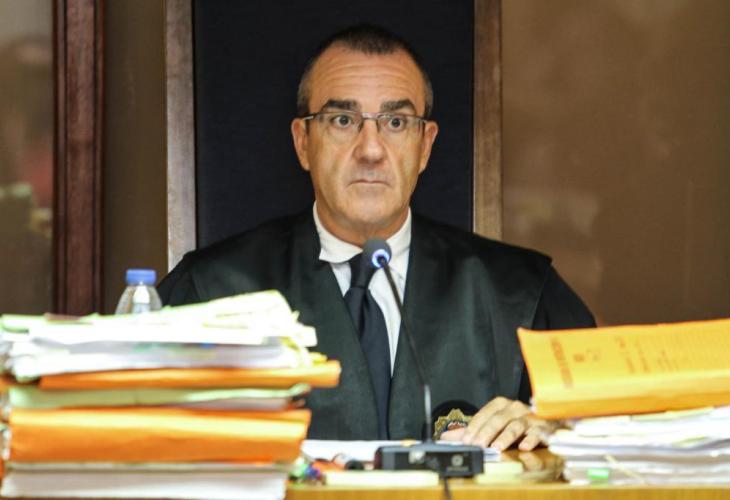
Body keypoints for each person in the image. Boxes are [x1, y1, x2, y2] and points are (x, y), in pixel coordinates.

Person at [158, 24, 595, 450]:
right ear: (303, 142)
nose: (370, 150)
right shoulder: (211, 292)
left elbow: (608, 427)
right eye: (342, 120)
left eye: (396, 122)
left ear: (425, 146)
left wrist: (557, 428)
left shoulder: (520, 292)